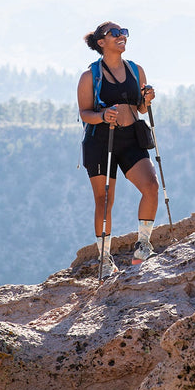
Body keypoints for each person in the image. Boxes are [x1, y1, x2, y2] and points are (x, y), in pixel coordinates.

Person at [77, 21, 159, 278]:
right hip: (100, 141)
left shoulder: (136, 70)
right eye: (115, 33)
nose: (122, 36)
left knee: (151, 186)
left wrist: (146, 100)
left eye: (124, 32)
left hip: (130, 137)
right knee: (104, 200)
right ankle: (104, 260)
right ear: (101, 42)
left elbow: (140, 109)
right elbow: (84, 113)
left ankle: (143, 247)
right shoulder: (90, 76)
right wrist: (103, 116)